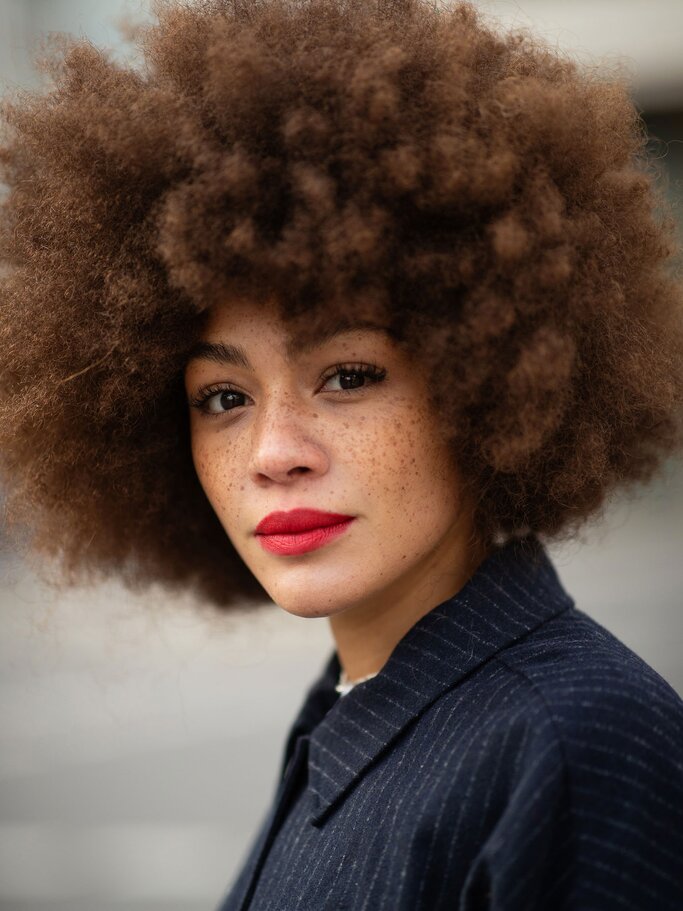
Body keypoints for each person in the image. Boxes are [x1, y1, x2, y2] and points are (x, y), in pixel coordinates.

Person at [1, 0, 682, 908]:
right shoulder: (359, 700)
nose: (275, 452)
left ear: (487, 378)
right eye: (224, 398)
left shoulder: (574, 745)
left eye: (349, 375)